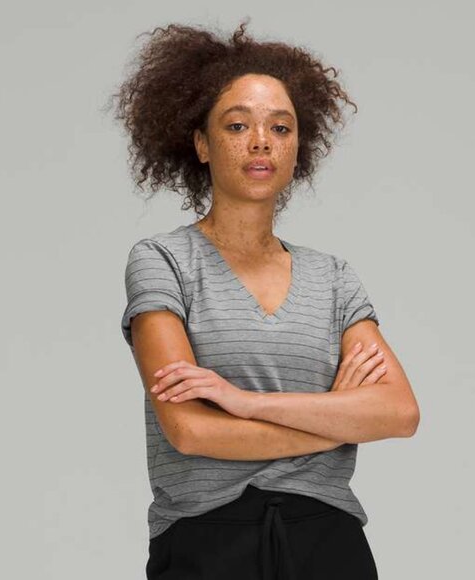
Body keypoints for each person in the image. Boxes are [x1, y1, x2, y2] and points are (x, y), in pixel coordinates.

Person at [112, 19, 420, 580]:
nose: (260, 141)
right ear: (201, 144)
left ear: (298, 147)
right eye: (237, 125)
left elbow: (399, 413)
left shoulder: (333, 278)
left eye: (280, 127)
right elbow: (190, 431)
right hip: (206, 543)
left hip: (328, 543)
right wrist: (337, 418)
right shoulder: (163, 262)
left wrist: (243, 402)